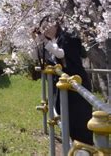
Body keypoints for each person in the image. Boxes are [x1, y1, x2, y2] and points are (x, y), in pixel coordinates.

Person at [37, 15, 93, 145]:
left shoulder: (67, 36)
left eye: (47, 26)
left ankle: (85, 149)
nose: (45, 30)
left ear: (56, 24)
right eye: (43, 29)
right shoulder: (55, 41)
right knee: (70, 121)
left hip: (77, 83)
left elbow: (61, 54)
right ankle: (76, 148)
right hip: (67, 86)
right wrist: (39, 42)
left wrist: (45, 42)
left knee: (80, 121)